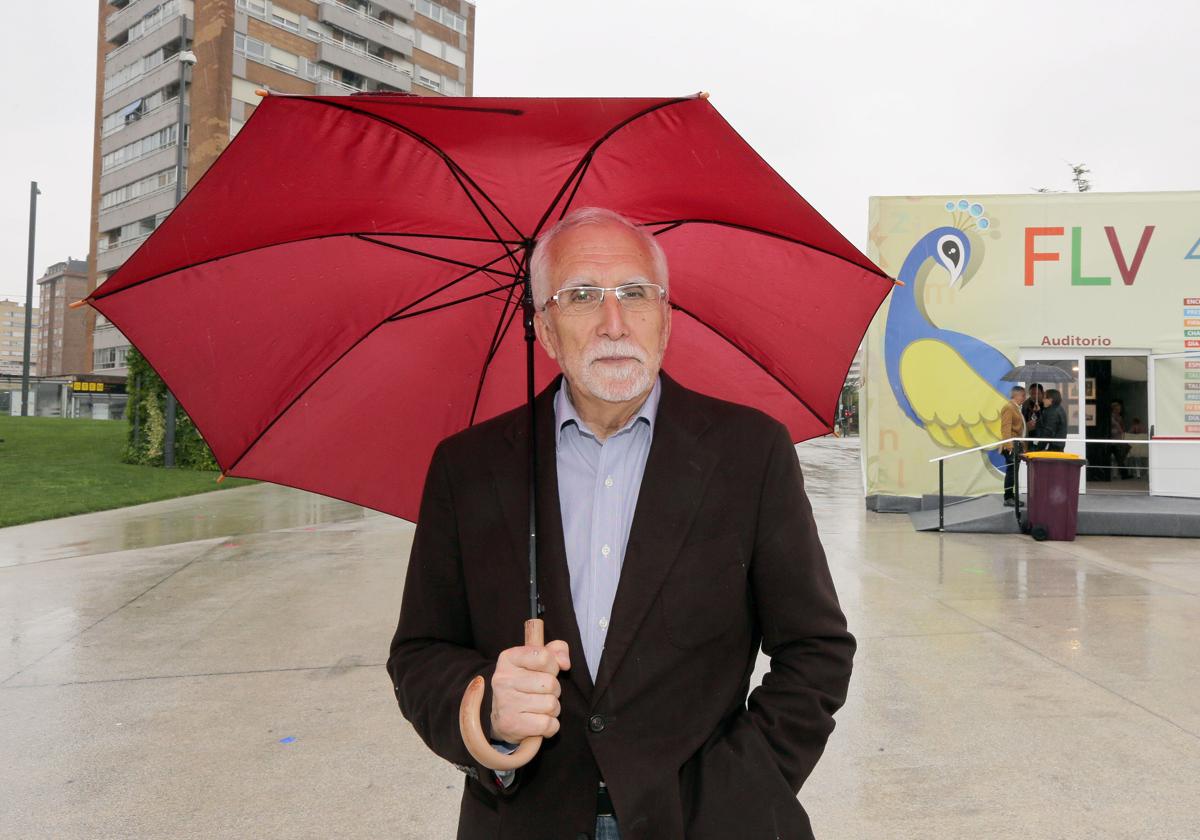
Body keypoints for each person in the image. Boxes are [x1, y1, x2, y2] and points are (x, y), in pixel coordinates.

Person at [387, 208, 855, 840]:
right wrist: (486, 711)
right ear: (545, 330)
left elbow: (816, 649)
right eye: (580, 296)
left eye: (635, 294)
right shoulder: (468, 468)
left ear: (665, 318)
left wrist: (747, 782)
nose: (614, 322)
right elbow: (421, 651)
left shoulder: (750, 453)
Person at [1000, 385, 1027, 506]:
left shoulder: (1016, 408)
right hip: (1011, 446)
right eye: (1023, 395)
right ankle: (1008, 498)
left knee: (1014, 472)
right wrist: (1009, 446)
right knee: (1011, 471)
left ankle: (1011, 496)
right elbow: (1005, 428)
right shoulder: (1009, 407)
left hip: (1017, 444)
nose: (1024, 398)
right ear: (1016, 395)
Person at [1022, 383, 1045, 451]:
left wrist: (1039, 412)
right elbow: (1022, 421)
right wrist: (1026, 426)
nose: (1035, 396)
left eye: (1037, 393)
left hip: (1043, 438)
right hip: (1030, 438)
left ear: (1042, 393)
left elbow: (1047, 421)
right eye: (1032, 394)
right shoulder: (1026, 404)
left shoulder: (1046, 403)